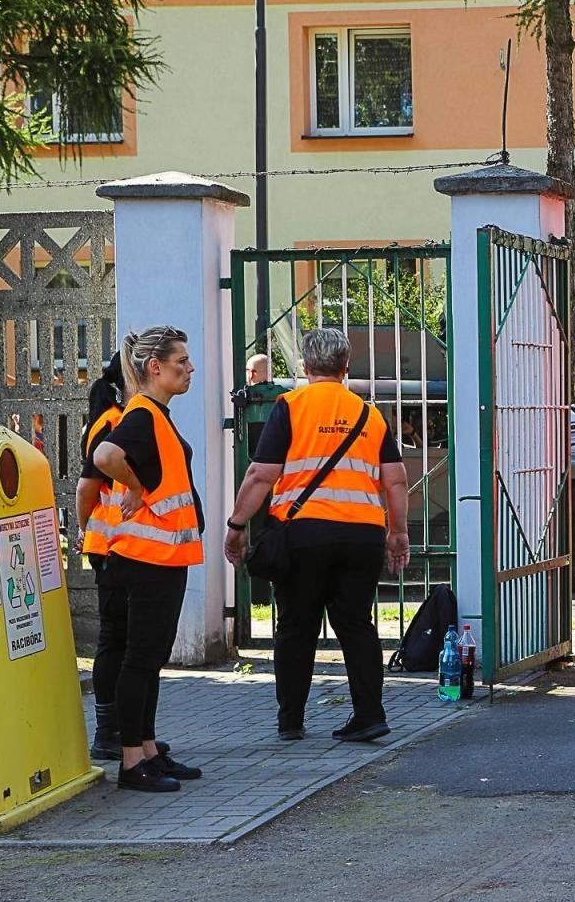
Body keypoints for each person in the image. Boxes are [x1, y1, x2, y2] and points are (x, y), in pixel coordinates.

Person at [223, 328, 411, 744]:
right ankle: (369, 715)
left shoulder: (290, 406)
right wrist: (397, 533)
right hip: (362, 535)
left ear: (305, 368)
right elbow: (395, 482)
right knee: (357, 626)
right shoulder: (370, 414)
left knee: (296, 627)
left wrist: (237, 526)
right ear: (346, 368)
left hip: (304, 535)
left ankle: (291, 721)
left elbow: (261, 474)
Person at [92, 327, 205, 792]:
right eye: (181, 361)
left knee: (149, 658)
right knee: (140, 659)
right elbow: (104, 455)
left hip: (157, 557)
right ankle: (131, 761)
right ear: (154, 368)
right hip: (147, 559)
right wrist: (139, 491)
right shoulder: (142, 413)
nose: (190, 368)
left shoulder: (155, 413)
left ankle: (149, 751)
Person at [76, 353, 159, 762]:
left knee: (125, 642)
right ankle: (110, 733)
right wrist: (84, 529)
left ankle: (130, 734)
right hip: (114, 545)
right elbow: (86, 487)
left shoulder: (118, 417)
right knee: (117, 642)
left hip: (118, 543)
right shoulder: (111, 423)